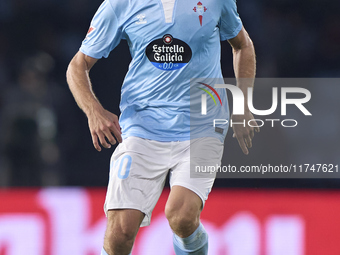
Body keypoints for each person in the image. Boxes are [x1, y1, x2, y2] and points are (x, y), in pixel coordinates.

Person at [66, 0, 259, 254]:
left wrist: (243, 104)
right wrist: (94, 111)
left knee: (181, 216)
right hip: (141, 127)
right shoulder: (119, 4)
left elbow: (242, 45)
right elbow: (77, 65)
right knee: (119, 233)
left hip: (201, 127)